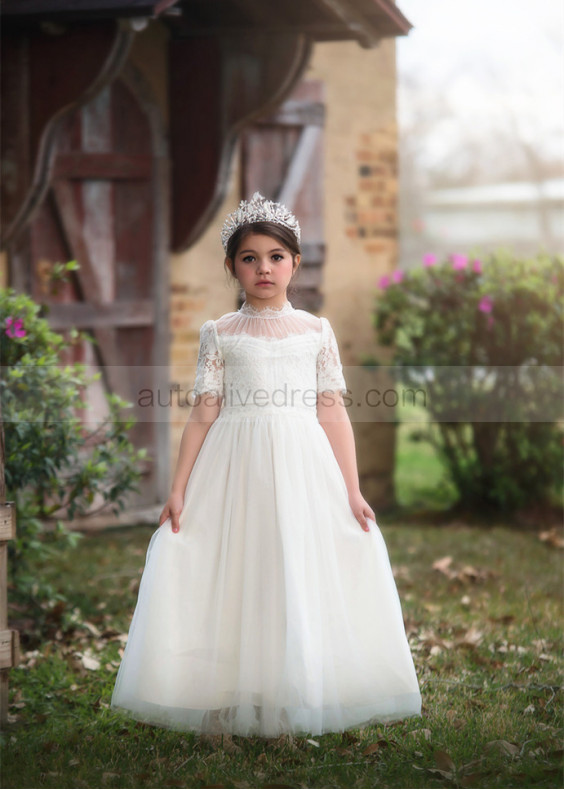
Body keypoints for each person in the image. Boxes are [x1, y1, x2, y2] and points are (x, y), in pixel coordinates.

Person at [110, 192, 421, 738]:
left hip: (303, 465)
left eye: (276, 257)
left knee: (294, 564)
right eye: (250, 258)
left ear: (295, 264)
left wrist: (352, 490)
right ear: (232, 266)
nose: (264, 268)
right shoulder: (220, 333)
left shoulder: (314, 332)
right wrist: (179, 488)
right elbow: (204, 415)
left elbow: (333, 414)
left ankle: (293, 685)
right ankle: (231, 687)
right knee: (239, 565)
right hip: (234, 467)